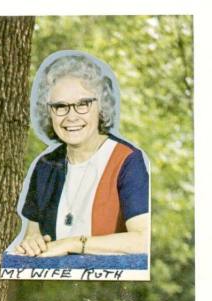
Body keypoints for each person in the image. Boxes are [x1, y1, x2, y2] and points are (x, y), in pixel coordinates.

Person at [15, 51, 149, 258]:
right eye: (60, 106)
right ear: (48, 112)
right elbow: (33, 233)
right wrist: (33, 241)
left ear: (101, 106)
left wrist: (72, 243)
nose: (71, 116)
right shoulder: (46, 165)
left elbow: (141, 240)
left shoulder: (126, 160)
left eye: (82, 104)